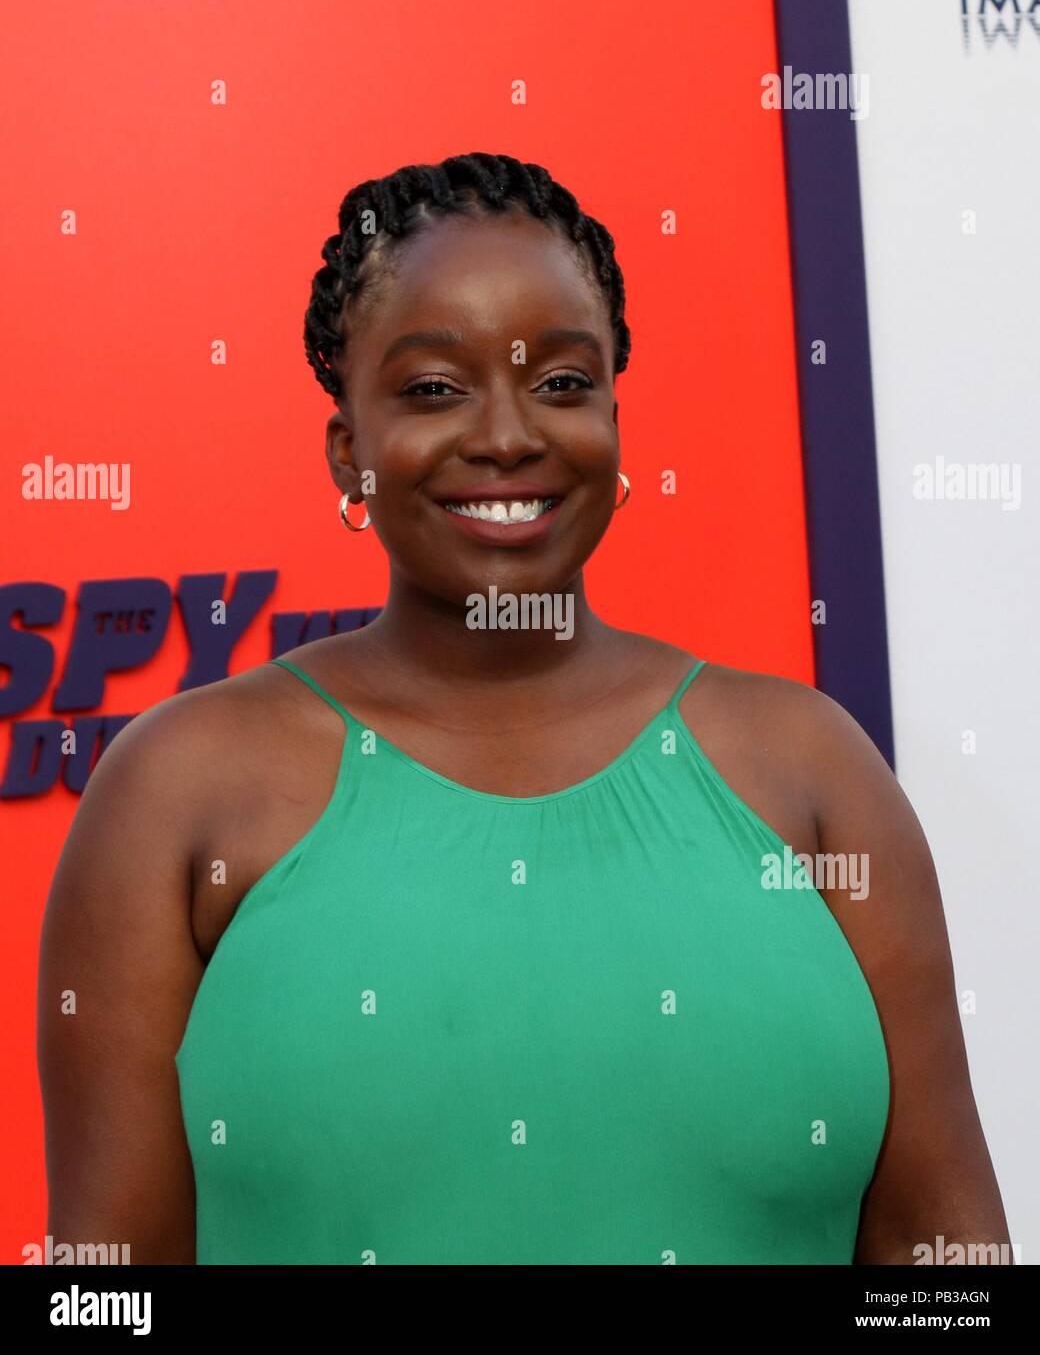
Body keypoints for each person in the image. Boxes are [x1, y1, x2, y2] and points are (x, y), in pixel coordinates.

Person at [38, 152, 1010, 1265]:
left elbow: (947, 1263)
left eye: (560, 381)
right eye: (433, 389)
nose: (507, 435)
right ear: (347, 451)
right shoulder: (176, 792)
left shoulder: (811, 773)